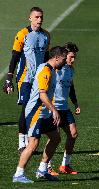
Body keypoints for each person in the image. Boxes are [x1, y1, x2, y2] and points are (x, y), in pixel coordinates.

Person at [12, 46, 67, 183]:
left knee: (55, 138)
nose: (66, 61)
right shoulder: (45, 71)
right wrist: (54, 110)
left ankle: (42, 170)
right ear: (56, 58)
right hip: (36, 111)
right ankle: (18, 174)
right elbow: (42, 95)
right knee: (33, 143)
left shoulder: (51, 70)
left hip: (44, 112)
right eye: (64, 59)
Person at [2, 7, 50, 153]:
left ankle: (31, 141)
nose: (39, 20)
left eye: (41, 17)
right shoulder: (22, 34)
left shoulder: (46, 35)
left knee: (36, 107)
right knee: (26, 107)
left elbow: (47, 58)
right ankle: (22, 143)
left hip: (39, 78)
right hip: (25, 78)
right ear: (30, 18)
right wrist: (9, 77)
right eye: (36, 17)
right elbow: (15, 56)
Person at [47, 42, 80, 176]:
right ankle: (47, 166)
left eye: (74, 57)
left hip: (65, 108)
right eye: (71, 57)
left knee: (73, 134)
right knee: (54, 137)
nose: (73, 59)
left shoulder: (71, 70)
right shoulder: (54, 69)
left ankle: (65, 165)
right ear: (64, 55)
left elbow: (71, 87)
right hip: (53, 108)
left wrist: (76, 103)